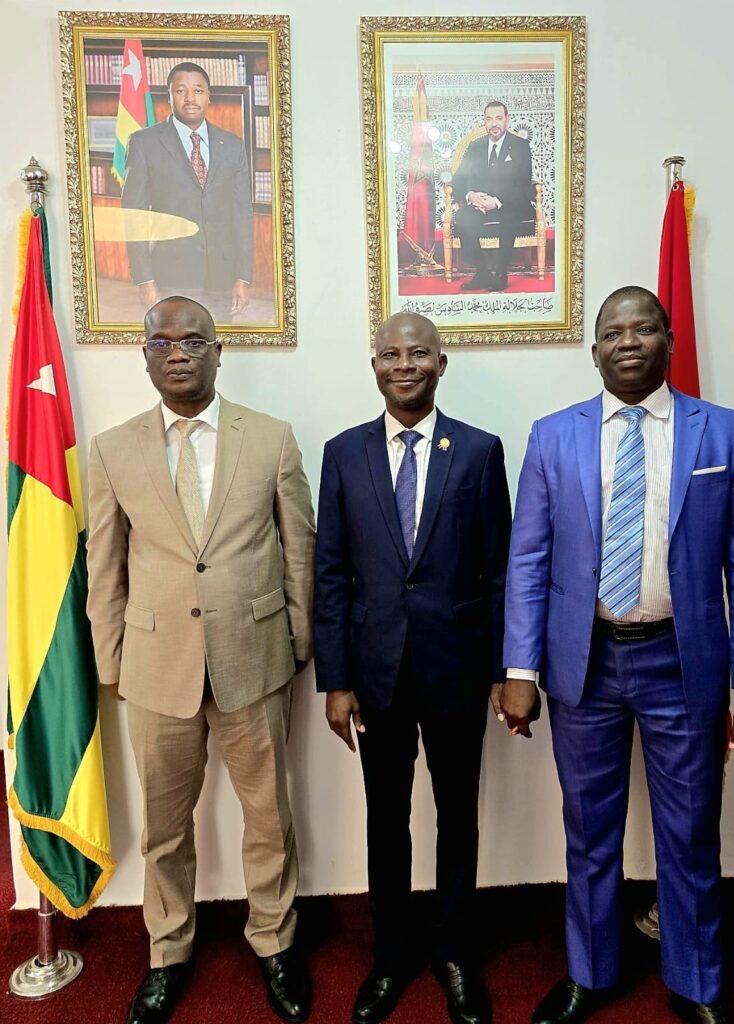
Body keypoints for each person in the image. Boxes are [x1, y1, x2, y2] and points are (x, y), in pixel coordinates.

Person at [500, 286, 734, 1024]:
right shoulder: (552, 436)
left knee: (689, 831)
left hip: (680, 663)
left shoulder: (722, 433)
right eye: (612, 332)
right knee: (588, 828)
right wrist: (520, 671)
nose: (628, 341)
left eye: (643, 328)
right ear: (593, 350)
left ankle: (695, 982)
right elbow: (527, 560)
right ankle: (590, 975)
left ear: (667, 341)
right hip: (581, 665)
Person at [86, 296, 315, 1024]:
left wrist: (299, 643)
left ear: (220, 351)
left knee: (269, 816)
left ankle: (275, 942)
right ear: (145, 356)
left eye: (194, 340)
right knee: (164, 825)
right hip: (154, 667)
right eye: (162, 341)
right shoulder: (112, 449)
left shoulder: (272, 438)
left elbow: (299, 549)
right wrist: (111, 663)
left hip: (255, 660)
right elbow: (104, 566)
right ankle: (167, 950)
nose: (178, 351)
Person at [314, 312, 511, 1024]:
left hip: (458, 671)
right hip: (374, 676)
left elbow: (498, 574)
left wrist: (502, 668)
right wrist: (334, 680)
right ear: (374, 365)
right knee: (384, 819)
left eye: (418, 352)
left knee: (457, 818)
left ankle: (455, 953)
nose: (404, 364)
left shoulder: (480, 452)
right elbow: (330, 575)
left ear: (440, 363)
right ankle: (391, 955)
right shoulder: (344, 453)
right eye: (391, 354)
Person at [120, 62, 253, 322]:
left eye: (198, 90)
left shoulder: (233, 146)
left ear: (209, 96)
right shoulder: (143, 143)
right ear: (169, 96)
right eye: (181, 91)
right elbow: (133, 215)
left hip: (222, 277)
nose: (190, 98)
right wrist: (145, 279)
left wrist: (243, 276)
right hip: (170, 274)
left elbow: (242, 214)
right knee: (175, 350)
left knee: (214, 350)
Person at [451, 100, 533, 292]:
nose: (494, 123)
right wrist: (472, 196)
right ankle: (482, 272)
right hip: (481, 205)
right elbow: (458, 180)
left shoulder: (520, 146)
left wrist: (496, 202)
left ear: (507, 120)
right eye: (489, 119)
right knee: (463, 217)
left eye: (498, 118)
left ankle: (501, 273)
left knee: (509, 215)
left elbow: (523, 183)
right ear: (484, 122)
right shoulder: (475, 146)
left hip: (511, 204)